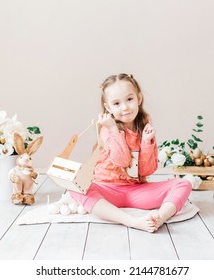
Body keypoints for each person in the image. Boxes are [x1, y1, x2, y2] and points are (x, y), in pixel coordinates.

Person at [69, 73, 192, 233]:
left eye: (129, 99)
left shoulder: (144, 124)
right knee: (75, 187)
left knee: (184, 183)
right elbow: (123, 161)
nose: (125, 107)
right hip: (107, 189)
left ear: (139, 98)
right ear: (108, 107)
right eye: (117, 103)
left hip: (135, 191)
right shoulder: (107, 128)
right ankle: (131, 221)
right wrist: (113, 129)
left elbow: (147, 170)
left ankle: (159, 218)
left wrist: (147, 142)